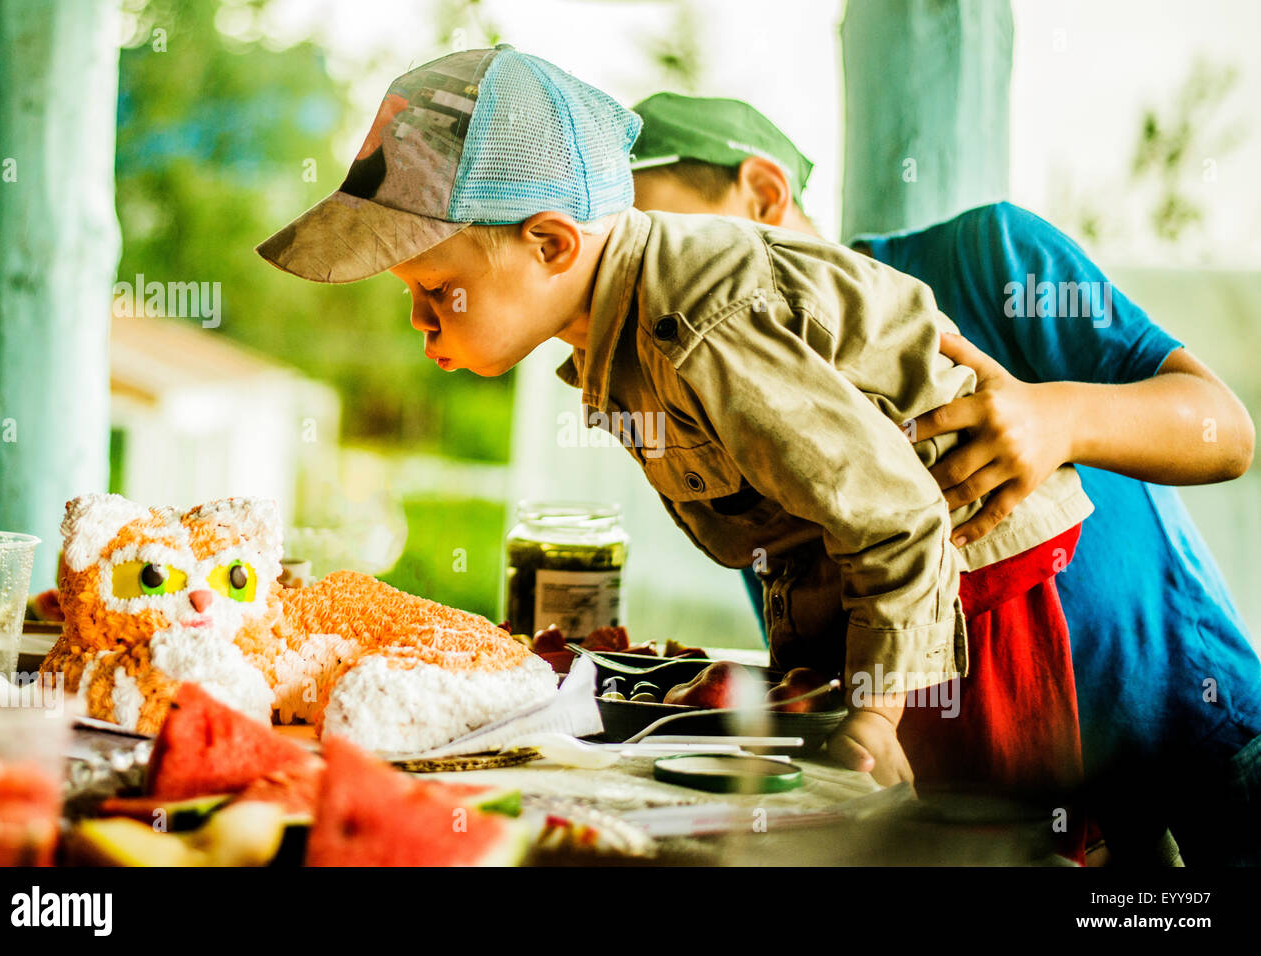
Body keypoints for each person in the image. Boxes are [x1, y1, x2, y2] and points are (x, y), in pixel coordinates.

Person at [256, 46, 1100, 861]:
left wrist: (877, 714)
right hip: (867, 583)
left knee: (983, 840)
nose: (422, 321)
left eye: (438, 290)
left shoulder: (699, 323)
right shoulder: (612, 325)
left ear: (551, 244)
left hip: (962, 573)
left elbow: (896, 513)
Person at [628, 91, 1261, 866]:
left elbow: (1224, 432)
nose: (653, 287)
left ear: (763, 193)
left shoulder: (984, 256)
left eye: (664, 243)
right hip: (1000, 809)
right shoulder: (715, 393)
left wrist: (1055, 420)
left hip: (1196, 725)